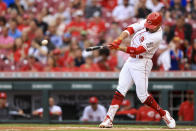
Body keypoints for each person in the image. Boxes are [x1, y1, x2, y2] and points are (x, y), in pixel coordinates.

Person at [99, 12, 176, 128]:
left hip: (142, 62)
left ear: (158, 25)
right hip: (131, 61)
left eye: (151, 27)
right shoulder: (147, 22)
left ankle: (164, 114)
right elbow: (130, 28)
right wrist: (119, 39)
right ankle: (108, 119)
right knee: (121, 89)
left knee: (143, 96)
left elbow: (137, 50)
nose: (148, 28)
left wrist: (118, 47)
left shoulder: (156, 37)